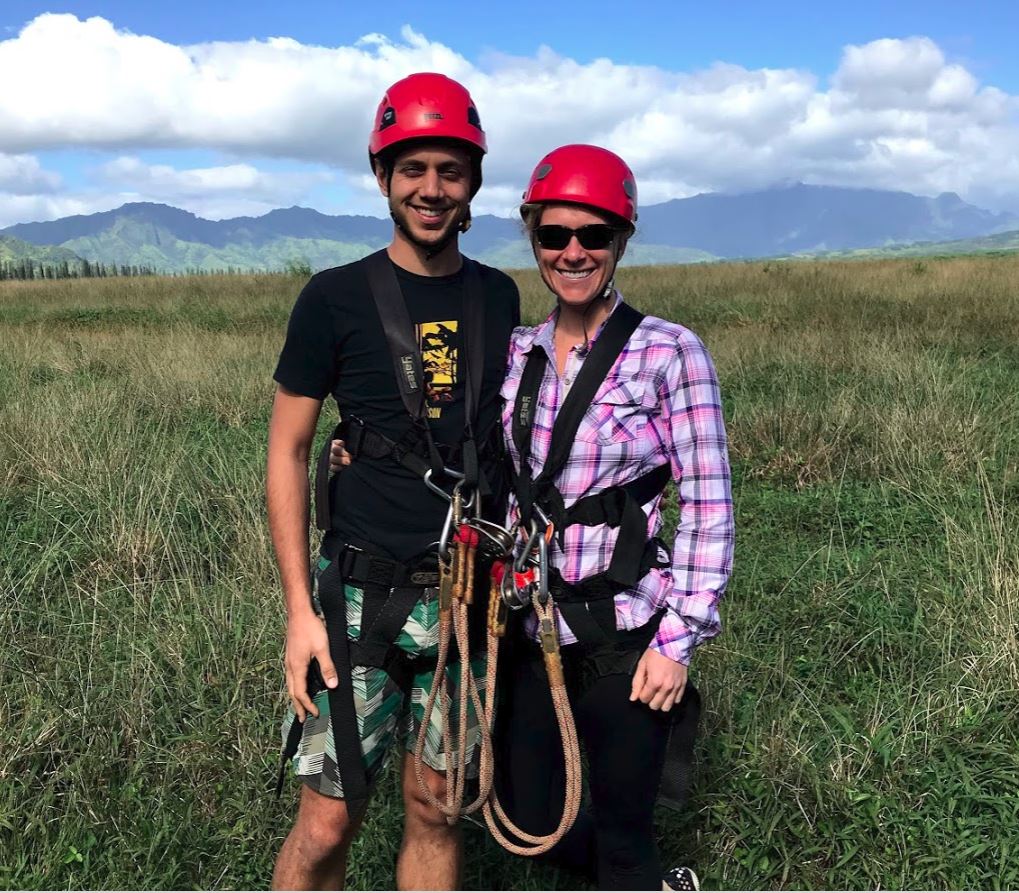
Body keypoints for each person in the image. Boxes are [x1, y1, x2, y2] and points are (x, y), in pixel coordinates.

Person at [267, 72, 519, 890]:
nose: (431, 188)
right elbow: (288, 451)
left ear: (472, 182)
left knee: (437, 806)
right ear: (382, 176)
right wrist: (299, 613)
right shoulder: (333, 298)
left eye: (450, 170)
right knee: (328, 817)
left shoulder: (498, 296)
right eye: (412, 169)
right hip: (357, 596)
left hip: (464, 594)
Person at [492, 145, 734, 891]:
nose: (572, 252)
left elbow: (709, 502)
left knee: (625, 836)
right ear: (532, 237)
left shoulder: (667, 352)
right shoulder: (519, 352)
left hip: (628, 630)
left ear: (620, 240)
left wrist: (677, 640)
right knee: (531, 825)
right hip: (531, 630)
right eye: (553, 234)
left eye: (592, 235)